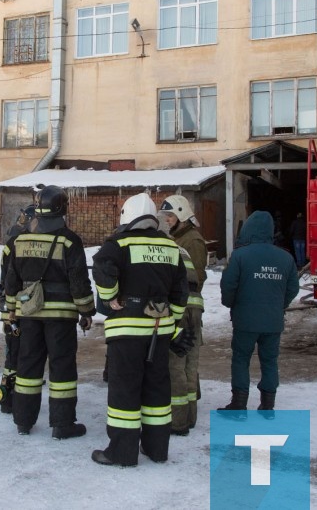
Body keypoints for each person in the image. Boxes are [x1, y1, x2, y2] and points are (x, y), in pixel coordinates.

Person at [90, 193, 190, 467]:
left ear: (126, 215)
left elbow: (101, 267)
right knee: (157, 389)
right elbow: (182, 291)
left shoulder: (119, 243)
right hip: (160, 330)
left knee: (125, 389)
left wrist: (110, 296)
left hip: (127, 330)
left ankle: (122, 453)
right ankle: (157, 449)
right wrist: (173, 321)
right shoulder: (170, 247)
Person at [4, 185, 95, 439]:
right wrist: (87, 311)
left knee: (27, 367)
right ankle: (62, 424)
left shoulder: (20, 240)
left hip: (28, 314)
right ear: (62, 208)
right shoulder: (69, 240)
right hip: (61, 319)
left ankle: (23, 421)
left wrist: (11, 308)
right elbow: (79, 281)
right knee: (62, 369)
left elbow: (12, 280)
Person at [219, 210, 300, 411]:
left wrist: (231, 304)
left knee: (240, 359)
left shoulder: (239, 256)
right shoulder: (286, 258)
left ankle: (239, 402)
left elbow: (228, 285)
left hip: (245, 320)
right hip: (273, 321)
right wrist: (279, 305)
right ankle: (267, 404)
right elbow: (293, 288)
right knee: (270, 361)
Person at [158, 195, 207, 437]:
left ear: (182, 215)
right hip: (187, 306)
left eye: (170, 216)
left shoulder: (193, 241)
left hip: (186, 307)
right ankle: (188, 416)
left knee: (179, 363)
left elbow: (196, 276)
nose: (167, 220)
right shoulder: (178, 238)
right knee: (186, 363)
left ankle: (179, 421)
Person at [0, 204, 35, 414]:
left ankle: (9, 397)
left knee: (13, 354)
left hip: (10, 309)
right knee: (19, 354)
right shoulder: (22, 244)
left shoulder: (11, 244)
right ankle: (12, 398)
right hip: (19, 309)